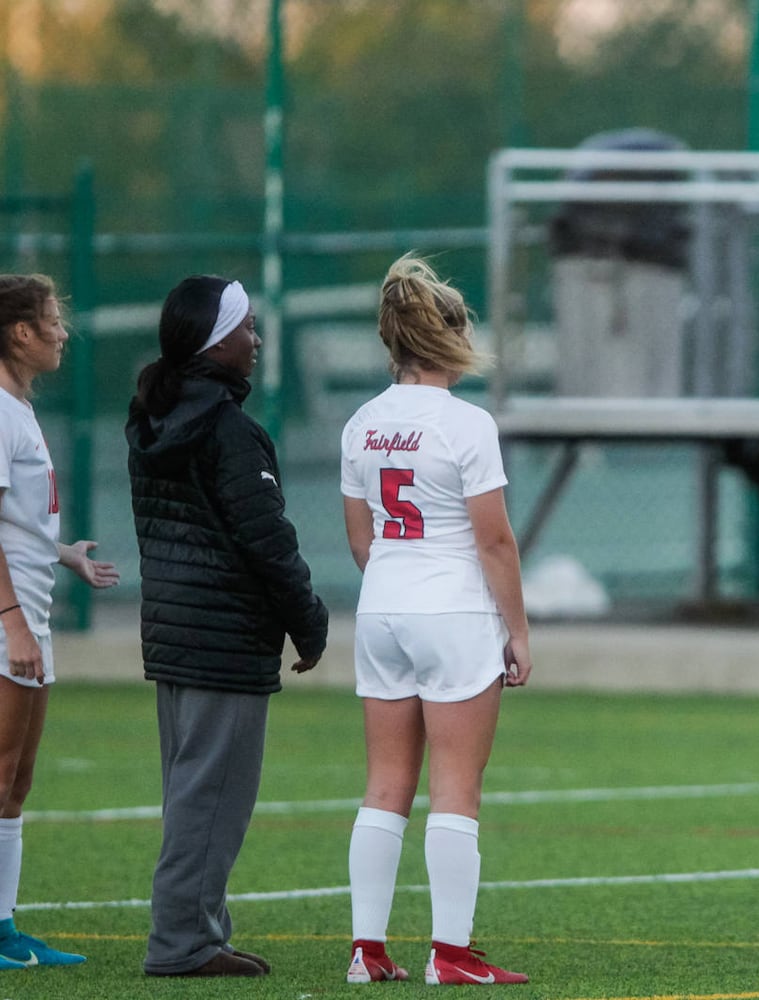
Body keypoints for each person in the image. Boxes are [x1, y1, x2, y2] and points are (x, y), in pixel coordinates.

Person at [127, 275, 328, 977]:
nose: (258, 341)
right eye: (248, 329)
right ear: (219, 341)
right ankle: (182, 943)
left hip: (174, 630)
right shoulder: (228, 430)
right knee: (211, 801)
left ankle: (200, 931)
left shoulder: (154, 418)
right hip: (224, 638)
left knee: (190, 792)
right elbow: (265, 540)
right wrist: (309, 624)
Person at [340, 255, 531, 987]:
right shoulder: (466, 423)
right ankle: (449, 955)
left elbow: (361, 539)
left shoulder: (363, 422)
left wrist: (397, 583)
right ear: (449, 336)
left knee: (384, 782)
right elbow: (493, 540)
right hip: (451, 609)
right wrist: (517, 631)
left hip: (382, 607)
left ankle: (367, 949)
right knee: (456, 785)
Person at [0, 274, 120, 970]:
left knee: (18, 780)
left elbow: (18, 515)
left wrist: (62, 553)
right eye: (53, 319)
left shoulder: (21, 406)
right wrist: (12, 621)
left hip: (30, 613)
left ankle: (6, 926)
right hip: (11, 617)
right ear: (21, 332)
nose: (62, 331)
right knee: (2, 773)